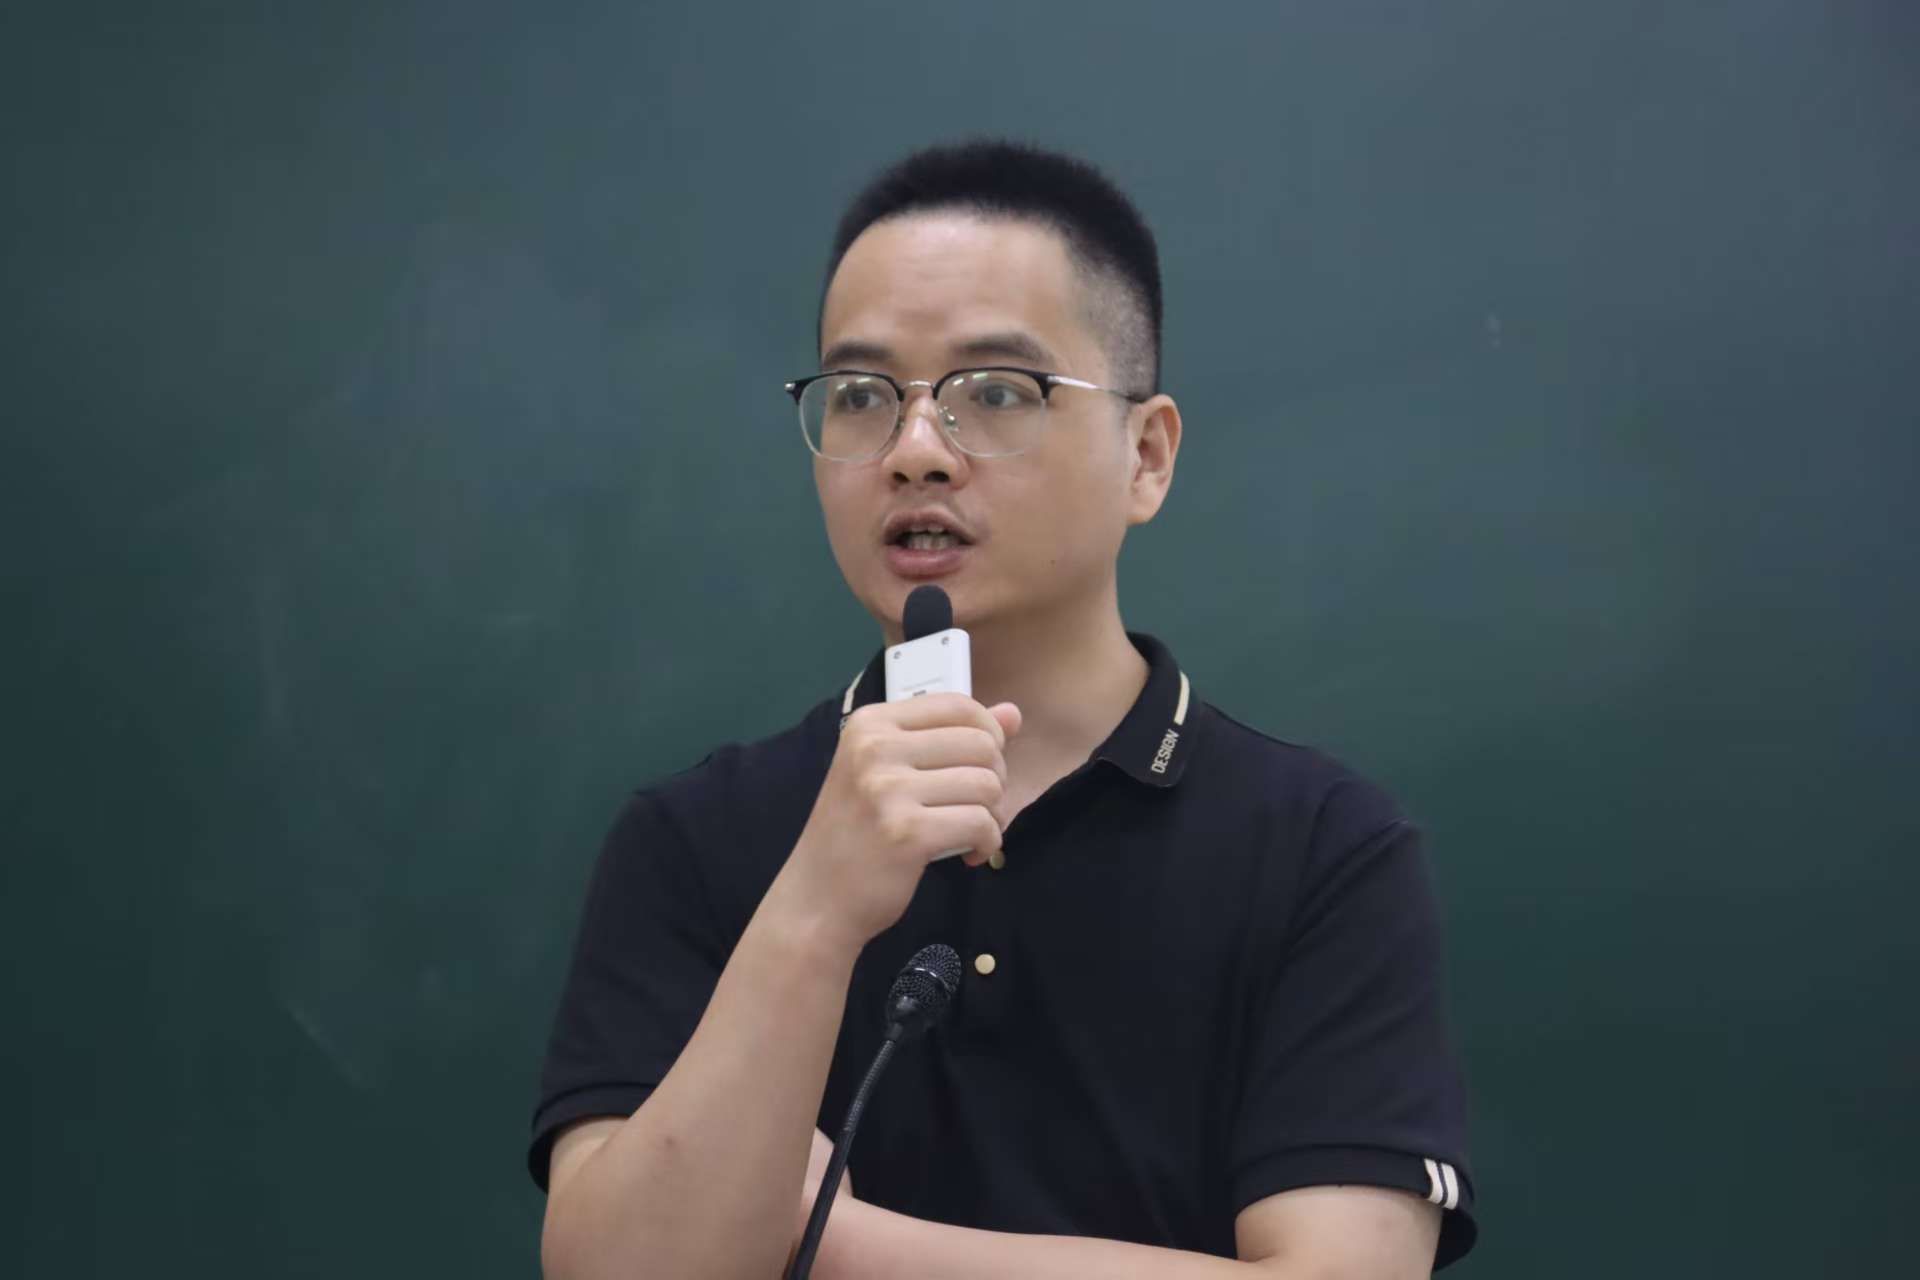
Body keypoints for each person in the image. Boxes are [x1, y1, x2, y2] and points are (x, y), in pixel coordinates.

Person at [529, 138, 1477, 1279]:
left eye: (994, 392)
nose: (915, 452)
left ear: (1147, 456)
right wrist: (816, 908)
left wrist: (819, 1235)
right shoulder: (695, 837)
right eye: (862, 396)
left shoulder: (1322, 847)